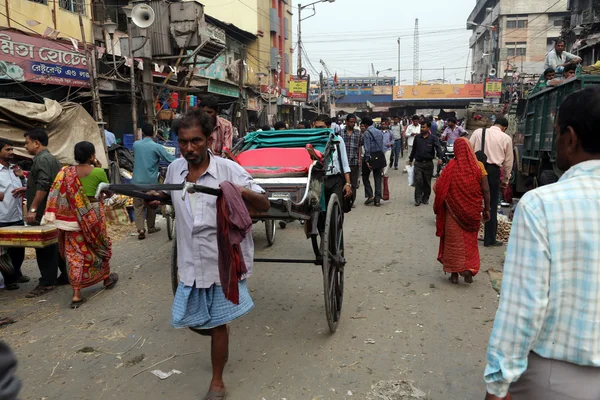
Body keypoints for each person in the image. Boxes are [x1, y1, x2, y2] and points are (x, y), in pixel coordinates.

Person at [484, 86, 600, 400]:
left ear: (571, 138)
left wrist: (497, 385)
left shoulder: (540, 206)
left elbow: (524, 307)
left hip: (556, 377)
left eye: (557, 132)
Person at [155, 109, 270, 400]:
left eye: (196, 141)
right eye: (183, 142)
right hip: (190, 259)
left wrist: (238, 192)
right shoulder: (174, 170)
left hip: (222, 258)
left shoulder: (227, 170)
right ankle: (219, 334)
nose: (189, 149)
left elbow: (264, 204)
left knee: (218, 324)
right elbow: (167, 198)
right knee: (194, 319)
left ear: (209, 140)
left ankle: (217, 381)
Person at [43, 142, 118, 308]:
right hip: (94, 215)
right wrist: (97, 167)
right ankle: (106, 279)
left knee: (75, 253)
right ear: (92, 155)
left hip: (72, 218)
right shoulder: (98, 172)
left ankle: (76, 293)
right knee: (99, 245)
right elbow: (108, 192)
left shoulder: (65, 173)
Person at [434, 138, 490, 284]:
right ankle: (469, 270)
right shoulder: (479, 166)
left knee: (453, 242)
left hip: (452, 212)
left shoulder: (451, 166)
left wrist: (445, 200)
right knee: (469, 242)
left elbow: (439, 186)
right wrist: (487, 209)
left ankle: (453, 274)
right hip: (472, 212)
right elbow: (486, 189)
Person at [22, 128, 67, 298]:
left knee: (43, 246)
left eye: (27, 143)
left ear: (36, 143)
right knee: (54, 243)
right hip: (52, 210)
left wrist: (32, 209)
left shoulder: (41, 159)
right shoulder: (52, 159)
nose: (25, 147)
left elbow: (43, 185)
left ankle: (47, 281)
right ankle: (66, 274)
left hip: (43, 212)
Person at [470, 117, 513, 247]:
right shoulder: (506, 138)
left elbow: (468, 150)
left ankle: (469, 234)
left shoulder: (478, 132)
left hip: (477, 169)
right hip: (493, 172)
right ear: (504, 127)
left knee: (473, 201)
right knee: (492, 205)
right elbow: (508, 163)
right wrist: (505, 180)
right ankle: (489, 239)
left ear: (493, 124)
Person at [132, 123, 176, 240]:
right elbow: (169, 159)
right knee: (151, 203)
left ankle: (141, 229)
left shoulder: (136, 145)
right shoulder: (157, 147)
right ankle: (151, 227)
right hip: (150, 181)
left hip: (136, 181)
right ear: (154, 133)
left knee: (138, 206)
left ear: (143, 133)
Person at [0, 139, 30, 289]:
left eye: (12, 149)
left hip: (17, 216)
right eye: (7, 150)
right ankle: (9, 279)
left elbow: (26, 188)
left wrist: (22, 178)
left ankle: (16, 272)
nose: (11, 152)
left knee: (19, 249)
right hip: (2, 217)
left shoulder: (15, 169)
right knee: (3, 253)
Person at [314, 115, 352, 209]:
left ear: (328, 126)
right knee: (318, 210)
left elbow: (344, 163)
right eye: (316, 127)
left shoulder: (338, 140)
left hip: (335, 180)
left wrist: (348, 184)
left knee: (337, 209)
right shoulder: (313, 141)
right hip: (317, 180)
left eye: (321, 127)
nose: (319, 130)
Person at [408, 121, 443, 206]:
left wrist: (440, 158)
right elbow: (414, 149)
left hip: (428, 164)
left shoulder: (433, 138)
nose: (422, 129)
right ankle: (418, 199)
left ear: (428, 128)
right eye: (421, 127)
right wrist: (411, 159)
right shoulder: (417, 138)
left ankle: (425, 198)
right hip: (418, 163)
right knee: (418, 181)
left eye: (424, 127)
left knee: (427, 182)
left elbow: (438, 148)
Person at [362, 116, 384, 207]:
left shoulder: (367, 133)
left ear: (365, 124)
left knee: (365, 177)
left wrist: (367, 160)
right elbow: (382, 145)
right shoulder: (379, 132)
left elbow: (367, 148)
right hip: (378, 156)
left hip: (370, 156)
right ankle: (377, 199)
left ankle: (370, 195)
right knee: (377, 177)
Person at [343, 114, 362, 207]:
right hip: (343, 163)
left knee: (353, 183)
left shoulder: (358, 133)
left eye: (354, 122)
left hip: (354, 162)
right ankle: (344, 199)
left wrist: (359, 159)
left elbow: (359, 147)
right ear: (346, 122)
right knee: (344, 182)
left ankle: (351, 201)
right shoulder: (340, 133)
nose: (353, 124)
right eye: (351, 122)